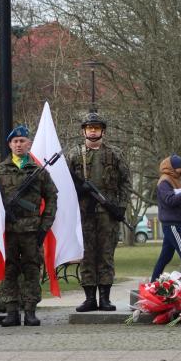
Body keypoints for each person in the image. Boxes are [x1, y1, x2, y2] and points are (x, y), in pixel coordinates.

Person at [67, 112, 132, 313]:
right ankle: (89, 299)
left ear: (102, 131)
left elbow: (126, 183)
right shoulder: (74, 154)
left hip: (107, 213)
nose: (93, 131)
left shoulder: (115, 154)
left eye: (96, 128)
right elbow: (64, 183)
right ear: (83, 131)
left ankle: (105, 298)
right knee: (86, 255)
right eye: (89, 128)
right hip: (83, 213)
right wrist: (80, 191)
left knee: (105, 255)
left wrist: (120, 207)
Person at [0, 125, 57, 327]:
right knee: (9, 270)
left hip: (32, 231)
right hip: (8, 230)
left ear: (29, 144)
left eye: (22, 141)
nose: (19, 144)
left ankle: (30, 311)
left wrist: (45, 225)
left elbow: (51, 198)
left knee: (32, 269)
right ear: (10, 145)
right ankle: (11, 311)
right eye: (15, 141)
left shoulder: (39, 171)